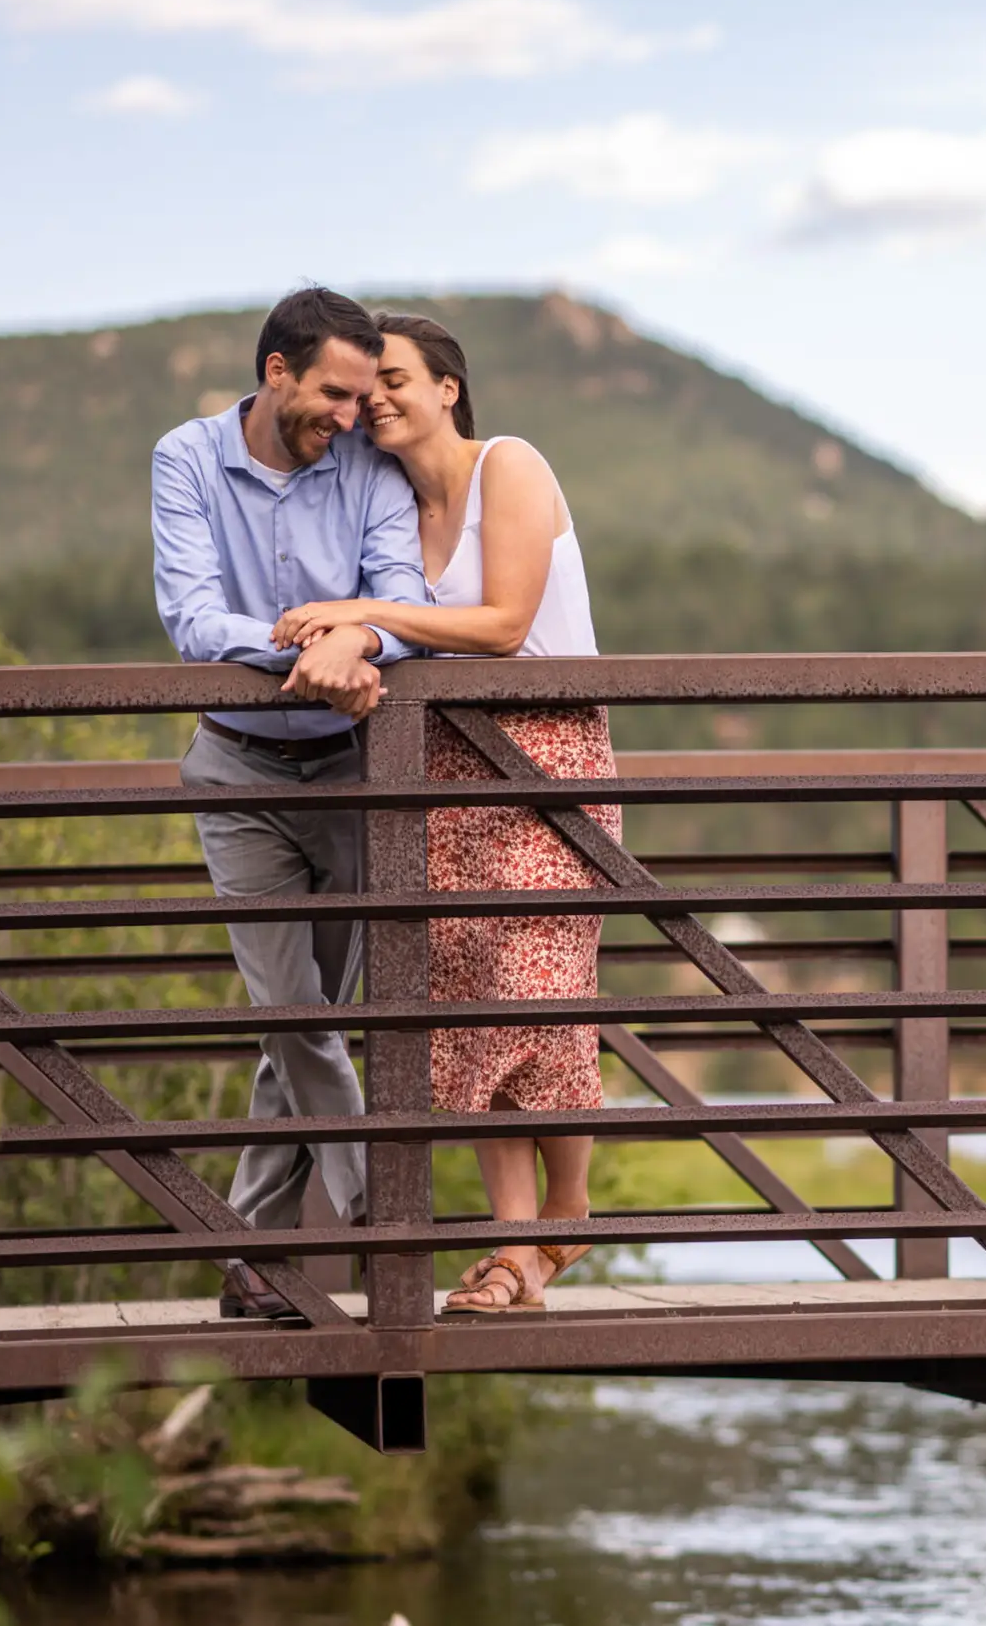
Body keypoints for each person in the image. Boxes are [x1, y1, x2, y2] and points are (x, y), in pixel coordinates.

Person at [273, 312, 617, 1315]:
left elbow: (505, 623)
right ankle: (514, 1252)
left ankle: (570, 1209)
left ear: (447, 388)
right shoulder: (385, 502)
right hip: (443, 766)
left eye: (392, 377)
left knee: (536, 981)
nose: (371, 395)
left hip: (545, 754)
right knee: (462, 1002)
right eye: (359, 384)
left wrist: (369, 615)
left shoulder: (509, 466)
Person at [151, 287, 429, 1322]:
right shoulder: (185, 458)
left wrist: (360, 636)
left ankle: (252, 1261)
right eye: (332, 393)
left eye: (361, 397)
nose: (350, 417)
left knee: (306, 1026)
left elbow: (404, 597)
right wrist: (308, 645)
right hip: (238, 773)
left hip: (352, 773)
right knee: (296, 1012)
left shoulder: (366, 466)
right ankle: (375, 1220)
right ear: (276, 372)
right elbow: (191, 615)